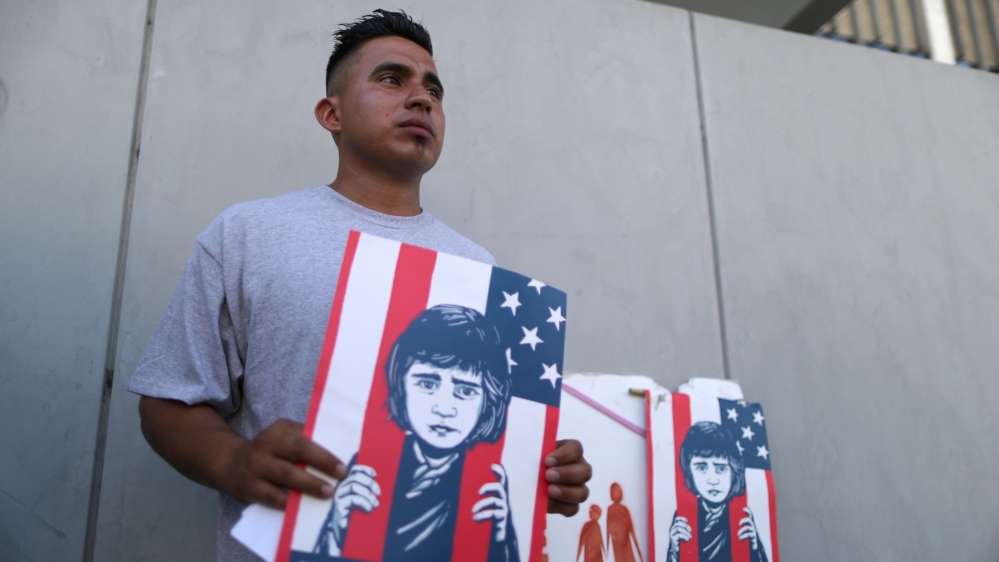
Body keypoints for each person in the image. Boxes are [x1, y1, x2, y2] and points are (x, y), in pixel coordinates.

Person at [128, 10, 592, 562]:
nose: (421, 99)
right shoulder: (248, 234)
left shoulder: (480, 269)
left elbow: (490, 433)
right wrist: (233, 461)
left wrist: (543, 473)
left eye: (434, 91)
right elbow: (168, 402)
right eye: (392, 79)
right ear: (333, 114)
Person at [313, 304, 519, 560]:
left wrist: (499, 539)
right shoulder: (371, 464)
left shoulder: (487, 482)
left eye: (465, 391)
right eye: (428, 384)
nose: (444, 408)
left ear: (488, 401)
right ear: (402, 384)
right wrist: (337, 528)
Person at [666, 422, 767, 562]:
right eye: (701, 468)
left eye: (721, 469)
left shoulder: (741, 516)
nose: (713, 480)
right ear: (689, 471)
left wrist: (754, 549)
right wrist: (674, 551)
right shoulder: (684, 516)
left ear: (733, 471)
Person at [607, 482, 643, 562]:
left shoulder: (625, 510)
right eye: (615, 491)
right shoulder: (610, 510)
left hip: (627, 546)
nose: (618, 493)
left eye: (619, 491)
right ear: (611, 494)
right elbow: (608, 530)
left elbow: (632, 531)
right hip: (617, 546)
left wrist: (640, 554)